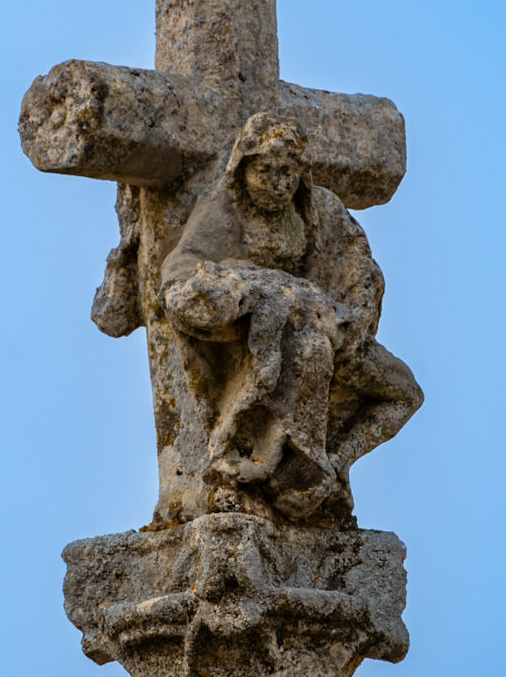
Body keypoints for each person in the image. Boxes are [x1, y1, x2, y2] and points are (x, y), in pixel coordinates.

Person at [160, 113, 422, 521]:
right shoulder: (225, 208)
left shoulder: (320, 210)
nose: (278, 183)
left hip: (335, 328)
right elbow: (184, 268)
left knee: (405, 392)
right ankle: (282, 463)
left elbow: (359, 268)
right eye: (265, 170)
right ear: (243, 169)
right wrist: (235, 288)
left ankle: (334, 460)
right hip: (268, 334)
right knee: (308, 353)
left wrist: (355, 316)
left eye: (288, 172)